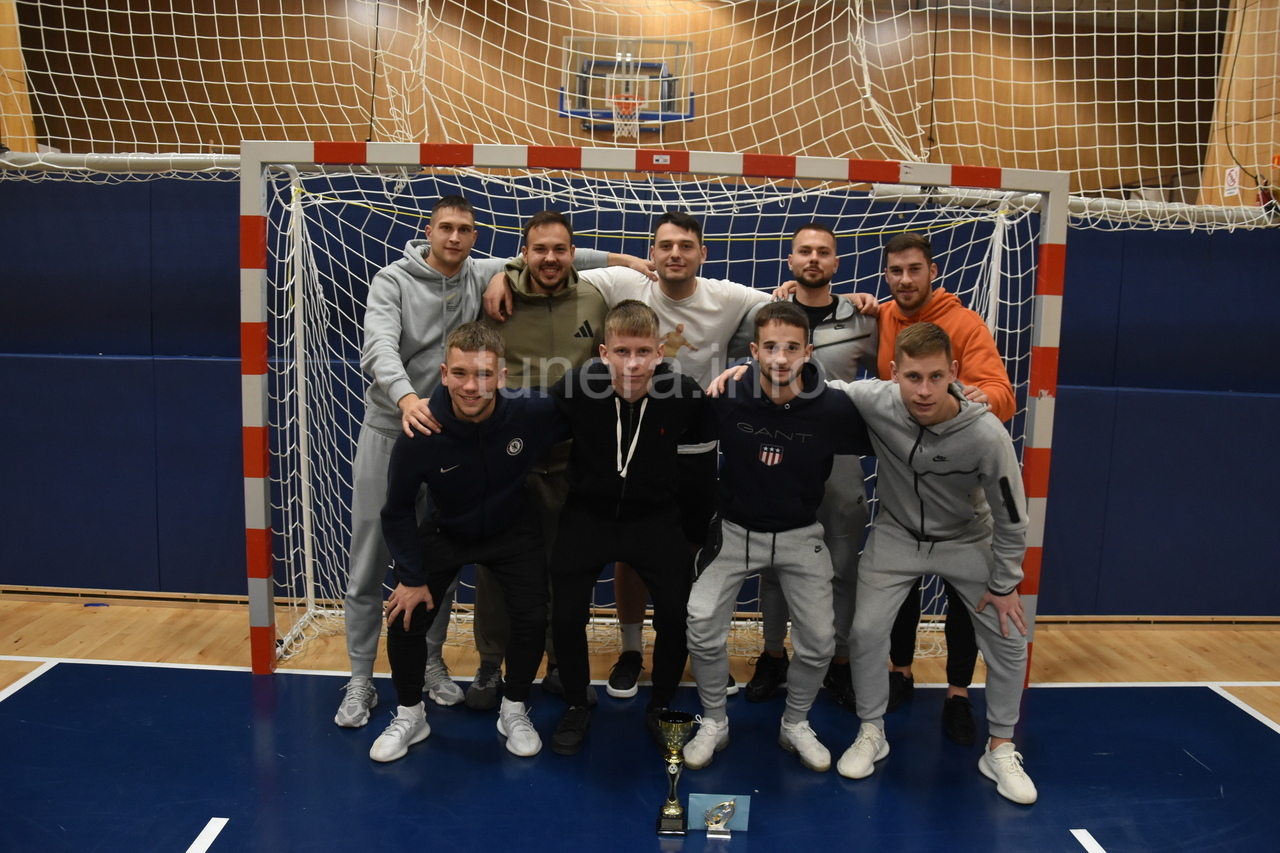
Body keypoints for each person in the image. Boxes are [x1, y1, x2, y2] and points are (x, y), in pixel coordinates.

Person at [336, 196, 645, 728]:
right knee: (370, 564)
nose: (455, 238)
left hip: (462, 438)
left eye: (465, 229)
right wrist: (407, 399)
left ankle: (432, 665)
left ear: (476, 237)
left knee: (439, 563)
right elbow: (377, 348)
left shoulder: (482, 271)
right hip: (397, 427)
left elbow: (554, 255)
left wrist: (630, 261)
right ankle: (360, 679)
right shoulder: (393, 280)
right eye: (446, 228)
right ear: (428, 231)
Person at [487, 210, 770, 700]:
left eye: (686, 245)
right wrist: (503, 271)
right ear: (651, 253)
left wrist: (752, 363)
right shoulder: (622, 282)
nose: (675, 254)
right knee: (623, 551)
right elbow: (554, 261)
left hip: (688, 443)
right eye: (665, 245)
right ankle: (631, 650)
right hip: (616, 442)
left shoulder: (728, 296)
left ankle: (697, 652)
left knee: (683, 557)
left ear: (703, 253)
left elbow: (784, 315)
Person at [828, 322, 1036, 804]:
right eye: (913, 377)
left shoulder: (986, 434)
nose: (924, 391)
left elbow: (1012, 518)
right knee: (865, 631)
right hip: (896, 534)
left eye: (936, 377)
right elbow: (817, 387)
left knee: (1009, 637)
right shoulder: (875, 399)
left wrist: (1005, 584)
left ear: (954, 373)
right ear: (893, 373)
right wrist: (746, 374)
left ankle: (1001, 747)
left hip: (968, 538)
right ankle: (871, 729)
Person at [683, 302, 872, 773]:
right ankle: (714, 721)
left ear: (809, 351)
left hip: (800, 534)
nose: (781, 357)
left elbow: (896, 424)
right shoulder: (728, 394)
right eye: (770, 347)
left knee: (820, 640)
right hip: (733, 531)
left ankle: (795, 723)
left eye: (791, 347)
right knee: (700, 623)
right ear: (753, 351)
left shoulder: (833, 408)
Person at [371, 323, 568, 761]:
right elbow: (397, 510)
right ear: (444, 374)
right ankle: (410, 715)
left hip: (512, 530)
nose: (471, 386)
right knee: (405, 615)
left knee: (533, 616)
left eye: (483, 374)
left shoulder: (530, 412)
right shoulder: (421, 429)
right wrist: (410, 577)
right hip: (447, 531)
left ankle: (514, 708)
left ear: (501, 376)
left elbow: (592, 411)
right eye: (460, 373)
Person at [872, 232, 1016, 746]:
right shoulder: (882, 316)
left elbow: (1003, 394)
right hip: (903, 483)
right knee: (900, 589)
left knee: (964, 600)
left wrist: (969, 398)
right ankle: (900, 671)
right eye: (896, 271)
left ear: (933, 271)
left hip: (959, 493)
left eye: (915, 269)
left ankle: (957, 693)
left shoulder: (964, 324)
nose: (905, 279)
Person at [545, 300, 707, 755]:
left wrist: (698, 529)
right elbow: (525, 426)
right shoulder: (575, 387)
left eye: (642, 352)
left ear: (660, 352)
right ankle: (576, 703)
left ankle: (661, 704)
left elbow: (710, 452)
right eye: (621, 352)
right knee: (566, 614)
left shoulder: (684, 393)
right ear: (603, 353)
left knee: (676, 613)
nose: (632, 364)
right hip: (588, 515)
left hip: (654, 517)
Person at [739, 223, 878, 710]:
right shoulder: (767, 315)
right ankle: (773, 654)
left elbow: (894, 374)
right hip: (779, 457)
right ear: (791, 260)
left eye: (823, 252)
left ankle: (839, 662)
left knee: (842, 567)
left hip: (838, 462)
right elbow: (743, 363)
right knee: (775, 567)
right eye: (804, 251)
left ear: (836, 263)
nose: (813, 259)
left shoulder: (864, 319)